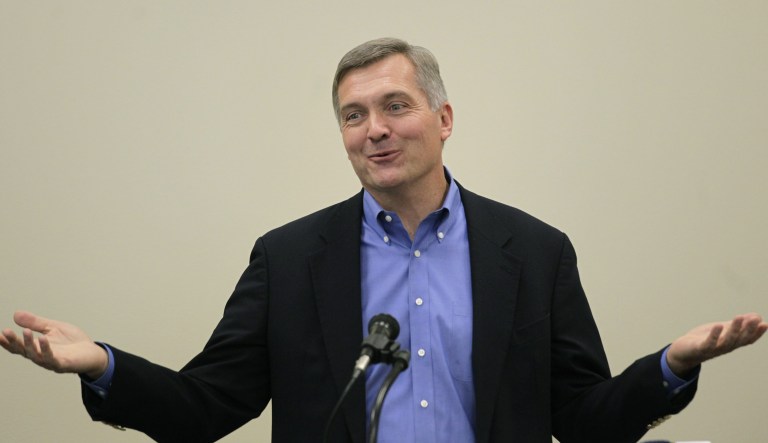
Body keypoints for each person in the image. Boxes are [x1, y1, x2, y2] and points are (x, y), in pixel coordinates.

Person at [1, 37, 766, 443]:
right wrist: (101, 363)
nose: (374, 130)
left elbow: (587, 421)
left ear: (444, 118)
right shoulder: (290, 259)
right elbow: (204, 408)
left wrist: (670, 366)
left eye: (395, 105)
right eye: (353, 115)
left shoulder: (534, 251)